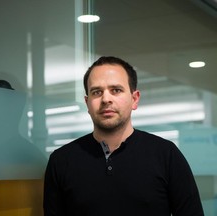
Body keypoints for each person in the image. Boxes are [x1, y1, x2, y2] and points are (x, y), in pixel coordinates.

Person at [43, 56, 204, 216]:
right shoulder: (62, 161)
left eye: (116, 90)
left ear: (134, 99)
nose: (106, 99)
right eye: (97, 92)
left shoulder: (166, 155)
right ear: (87, 103)